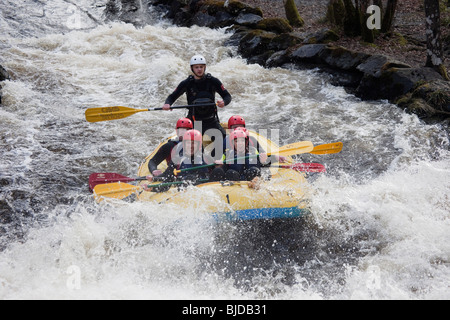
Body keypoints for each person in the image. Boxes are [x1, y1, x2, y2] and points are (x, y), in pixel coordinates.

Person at [162, 55, 232, 138]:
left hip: (211, 120)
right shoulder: (187, 83)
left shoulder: (213, 81)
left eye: (201, 67)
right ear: (192, 68)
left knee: (222, 141)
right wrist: (167, 104)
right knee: (194, 147)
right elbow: (172, 97)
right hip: (194, 121)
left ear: (205, 67)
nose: (199, 69)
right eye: (196, 67)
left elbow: (227, 96)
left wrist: (224, 102)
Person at [144, 129, 224, 192]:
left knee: (219, 171)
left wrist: (220, 166)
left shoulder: (207, 159)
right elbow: (166, 183)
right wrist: (152, 188)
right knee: (189, 178)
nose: (191, 146)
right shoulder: (177, 160)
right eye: (188, 143)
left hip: (206, 190)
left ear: (199, 145)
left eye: (194, 143)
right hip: (185, 192)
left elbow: (218, 176)